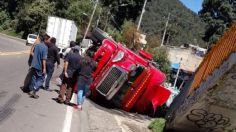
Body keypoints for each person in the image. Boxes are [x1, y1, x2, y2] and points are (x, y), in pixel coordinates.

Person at [28, 33, 50, 99]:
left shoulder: (37, 45)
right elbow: (44, 59)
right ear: (45, 40)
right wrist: (44, 68)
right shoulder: (45, 48)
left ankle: (32, 91)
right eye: (48, 40)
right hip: (39, 66)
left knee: (34, 78)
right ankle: (34, 90)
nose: (48, 41)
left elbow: (32, 53)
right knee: (41, 79)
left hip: (34, 64)